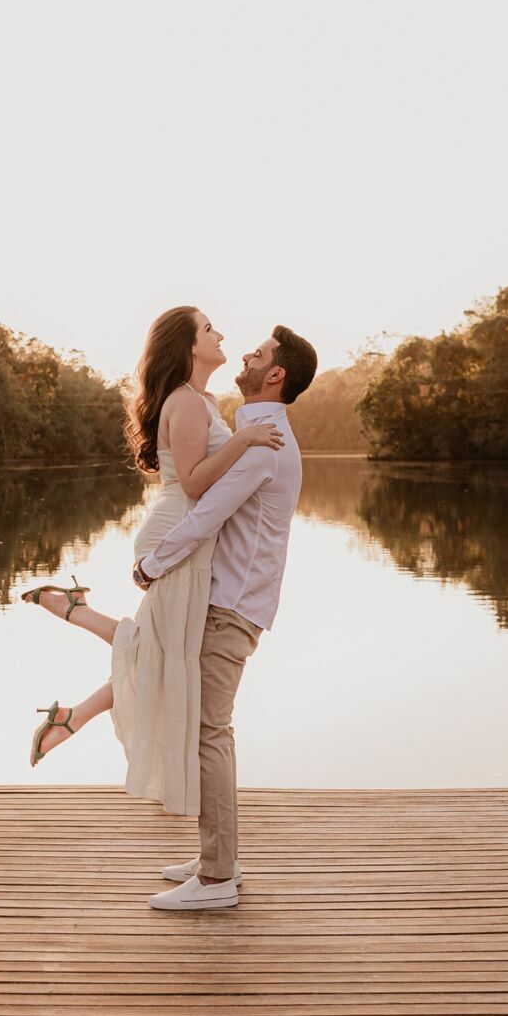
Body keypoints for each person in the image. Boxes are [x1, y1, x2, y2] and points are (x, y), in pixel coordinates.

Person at [21, 306, 282, 824]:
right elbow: (194, 483)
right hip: (176, 537)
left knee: (162, 653)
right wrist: (244, 439)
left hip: (192, 541)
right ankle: (75, 630)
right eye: (209, 329)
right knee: (163, 654)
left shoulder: (203, 401)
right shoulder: (184, 401)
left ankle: (74, 695)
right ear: (187, 346)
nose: (221, 334)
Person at [136, 324, 316, 911]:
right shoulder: (255, 434)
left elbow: (206, 514)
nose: (246, 353)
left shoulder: (264, 442)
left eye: (259, 354)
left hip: (232, 605)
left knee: (209, 732)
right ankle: (220, 856)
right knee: (212, 730)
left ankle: (216, 879)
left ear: (275, 375)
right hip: (236, 601)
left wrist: (151, 565)